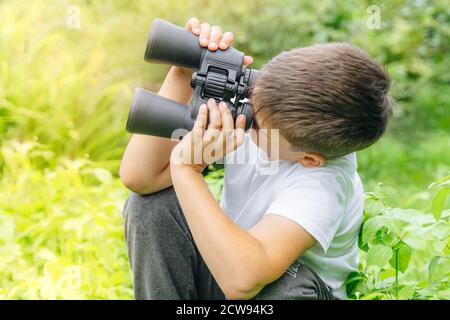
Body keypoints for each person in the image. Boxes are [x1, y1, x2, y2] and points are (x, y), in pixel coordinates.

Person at [119, 17, 393, 300]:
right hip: (226, 267)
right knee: (150, 206)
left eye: (258, 124)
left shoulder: (323, 184)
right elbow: (140, 177)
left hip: (272, 289)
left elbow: (243, 281)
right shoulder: (268, 117)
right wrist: (184, 72)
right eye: (252, 92)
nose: (246, 111)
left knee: (289, 283)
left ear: (309, 158)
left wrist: (187, 170)